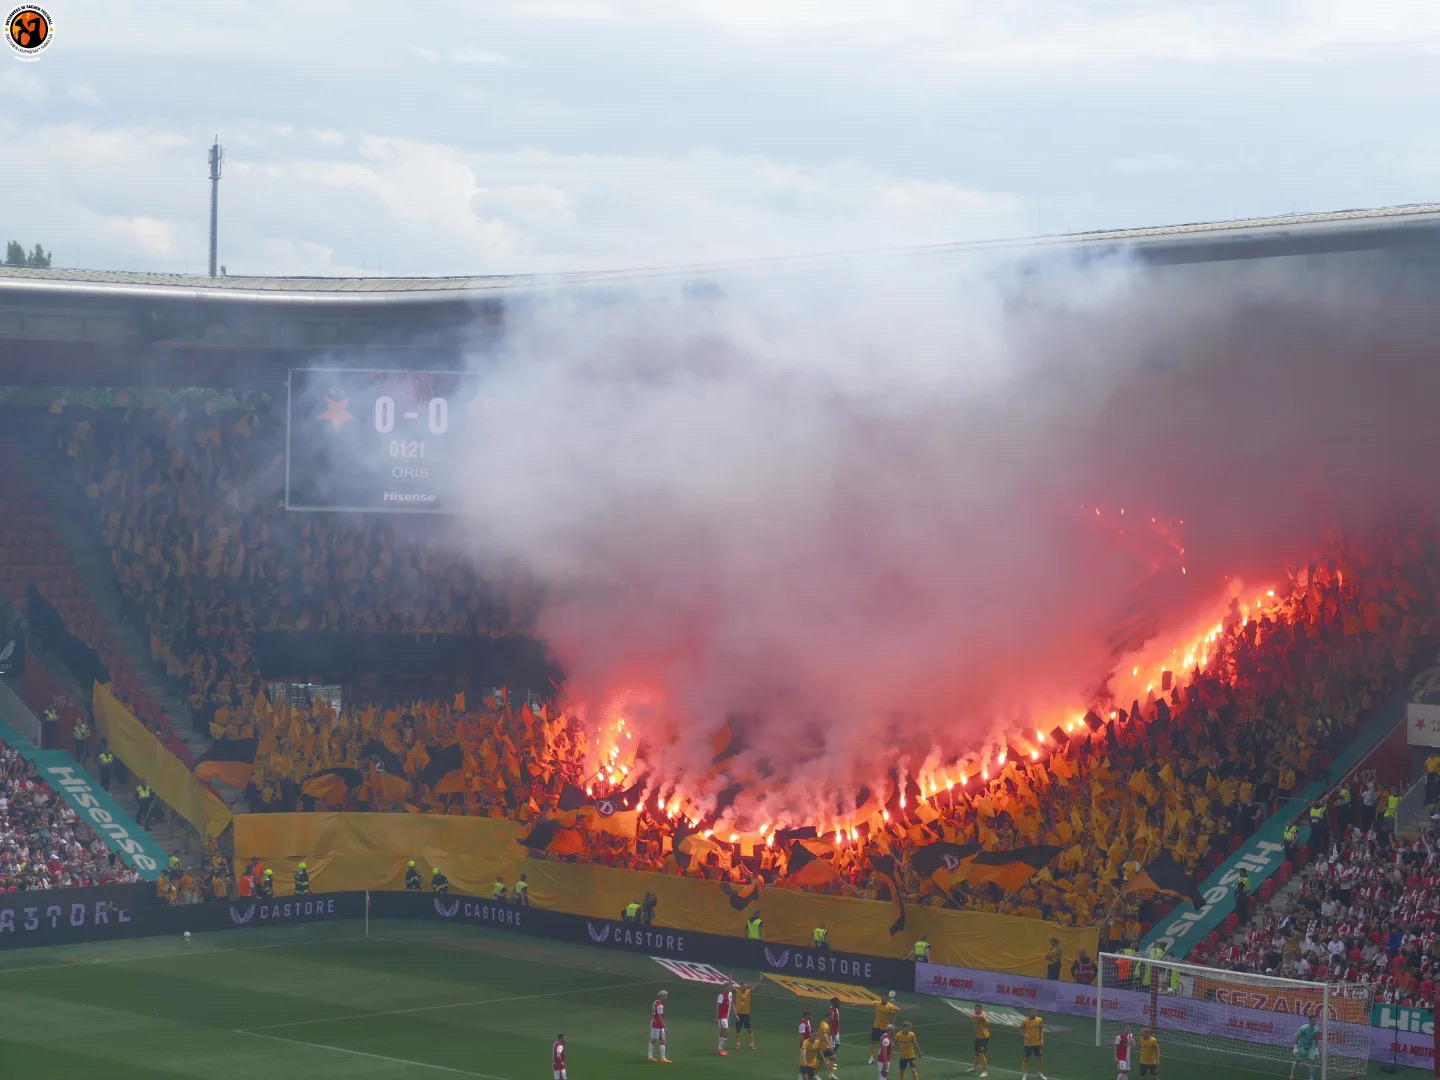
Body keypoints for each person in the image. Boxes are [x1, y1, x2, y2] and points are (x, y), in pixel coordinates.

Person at [869, 991, 902, 1065]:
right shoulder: (877, 1003)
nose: (884, 999)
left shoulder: (890, 1007)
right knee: (872, 1041)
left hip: (884, 1028)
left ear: (887, 998)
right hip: (876, 1026)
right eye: (882, 998)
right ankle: (871, 1057)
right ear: (881, 998)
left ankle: (884, 1056)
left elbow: (893, 1016)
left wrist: (893, 1026)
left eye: (885, 998)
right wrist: (857, 1004)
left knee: (884, 1043)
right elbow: (870, 1004)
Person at [1019, 1006, 1047, 1080]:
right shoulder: (1025, 1021)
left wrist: (1042, 1040)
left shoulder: (1039, 1020)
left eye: (1034, 1011)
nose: (1033, 1013)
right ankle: (1024, 1075)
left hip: (1037, 1044)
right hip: (1028, 1043)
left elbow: (1041, 1030)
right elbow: (1020, 1030)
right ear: (1029, 1012)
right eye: (1032, 1011)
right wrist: (1024, 1035)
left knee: (1040, 1058)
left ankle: (1040, 1073)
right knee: (1026, 1058)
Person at [967, 1003, 990, 1076]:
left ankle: (985, 1072)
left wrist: (973, 1016)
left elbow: (979, 1017)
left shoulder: (982, 1016)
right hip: (978, 1037)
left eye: (978, 1009)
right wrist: (973, 1016)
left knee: (981, 1054)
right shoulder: (975, 1015)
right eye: (975, 1009)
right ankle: (975, 1068)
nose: (976, 1010)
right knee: (977, 1053)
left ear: (981, 1009)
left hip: (984, 1038)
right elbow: (974, 1017)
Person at [734, 979, 757, 1051]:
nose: (745, 987)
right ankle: (738, 1044)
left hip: (746, 1014)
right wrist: (729, 979)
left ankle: (751, 1044)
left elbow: (755, 987)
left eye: (746, 986)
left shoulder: (748, 992)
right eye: (744, 986)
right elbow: (731, 987)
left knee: (749, 1029)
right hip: (738, 1014)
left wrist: (760, 981)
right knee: (738, 1030)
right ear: (740, 986)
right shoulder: (737, 991)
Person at [648, 990, 670, 1063]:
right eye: (665, 996)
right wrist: (665, 1026)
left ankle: (649, 1056)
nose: (666, 997)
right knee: (662, 1040)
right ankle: (663, 1058)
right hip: (658, 1025)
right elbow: (660, 1016)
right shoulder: (660, 1005)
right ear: (661, 996)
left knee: (653, 1039)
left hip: (653, 1022)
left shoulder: (655, 1002)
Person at [716, 983, 733, 1055]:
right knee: (726, 1031)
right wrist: (717, 1017)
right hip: (721, 1017)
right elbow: (717, 1006)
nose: (729, 988)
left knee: (723, 1032)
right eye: (728, 987)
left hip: (726, 1017)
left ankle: (720, 1049)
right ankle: (720, 1049)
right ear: (724, 987)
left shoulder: (730, 995)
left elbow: (731, 1005)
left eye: (730, 987)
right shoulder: (721, 995)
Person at [798, 1010, 815, 1080]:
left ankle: (805, 1074)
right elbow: (801, 1035)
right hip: (804, 1046)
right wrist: (805, 1044)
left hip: (808, 1044)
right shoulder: (802, 1023)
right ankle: (800, 1076)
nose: (811, 1017)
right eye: (810, 1015)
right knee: (803, 1061)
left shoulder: (807, 1022)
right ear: (806, 1015)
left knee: (806, 1060)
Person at [825, 995, 842, 1066]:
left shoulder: (836, 1009)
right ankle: (826, 1059)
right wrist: (832, 1033)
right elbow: (830, 1023)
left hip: (836, 1030)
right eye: (837, 1003)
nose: (839, 1004)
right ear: (833, 1003)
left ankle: (830, 1058)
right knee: (832, 1046)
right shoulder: (831, 1011)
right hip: (833, 1032)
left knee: (837, 1044)